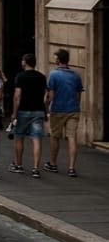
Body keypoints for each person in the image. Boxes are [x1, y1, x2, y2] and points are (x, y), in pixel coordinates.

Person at [44, 48, 85, 177]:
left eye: (55, 57)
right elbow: (78, 95)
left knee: (55, 136)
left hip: (58, 109)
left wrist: (47, 108)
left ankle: (53, 163)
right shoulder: (76, 75)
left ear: (58, 59)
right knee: (72, 138)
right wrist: (76, 106)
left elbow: (50, 95)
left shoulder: (54, 75)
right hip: (73, 109)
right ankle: (72, 167)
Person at [9, 53, 47, 177]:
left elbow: (17, 96)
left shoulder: (20, 77)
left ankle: (18, 164)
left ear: (25, 62)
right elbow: (45, 96)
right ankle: (36, 168)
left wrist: (14, 113)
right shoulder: (42, 77)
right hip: (38, 110)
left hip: (23, 110)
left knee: (19, 137)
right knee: (36, 139)